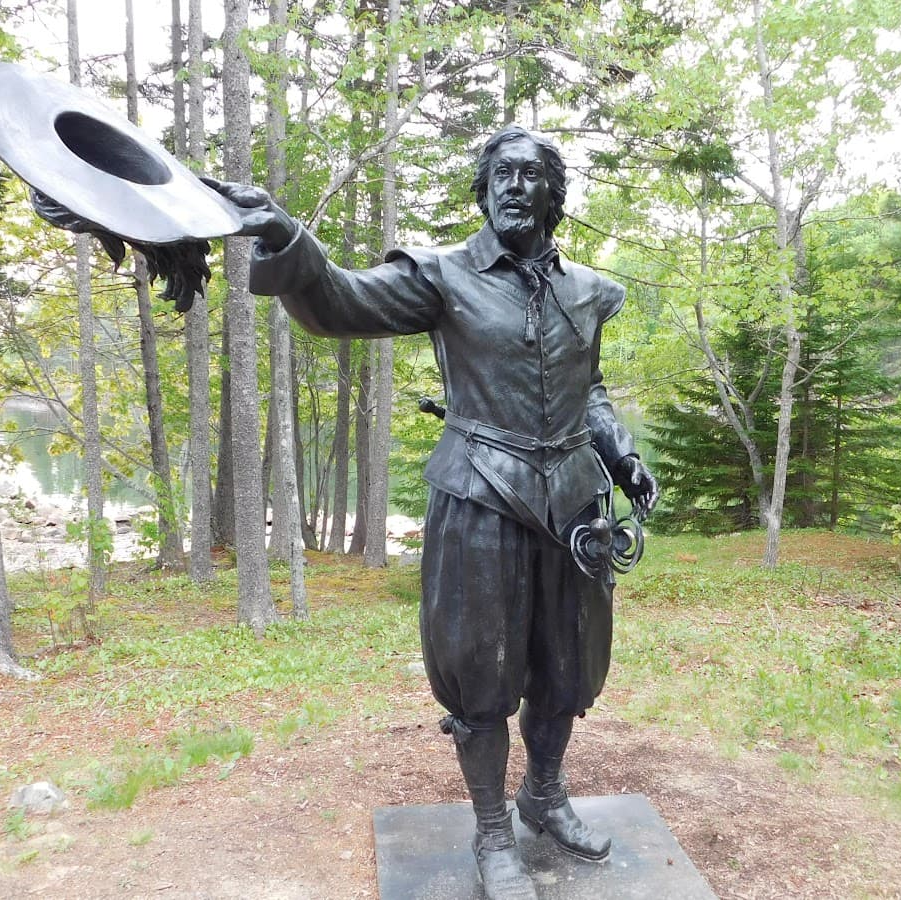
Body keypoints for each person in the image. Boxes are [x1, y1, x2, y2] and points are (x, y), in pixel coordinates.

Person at [205, 126, 658, 900]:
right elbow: (339, 302)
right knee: (478, 672)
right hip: (480, 497)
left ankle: (543, 797)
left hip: (574, 504)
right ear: (483, 191)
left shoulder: (588, 290)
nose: (517, 186)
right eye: (502, 175)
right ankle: (489, 830)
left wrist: (621, 454)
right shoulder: (443, 276)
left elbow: (591, 390)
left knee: (566, 666)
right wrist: (286, 235)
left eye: (532, 176)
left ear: (555, 195)